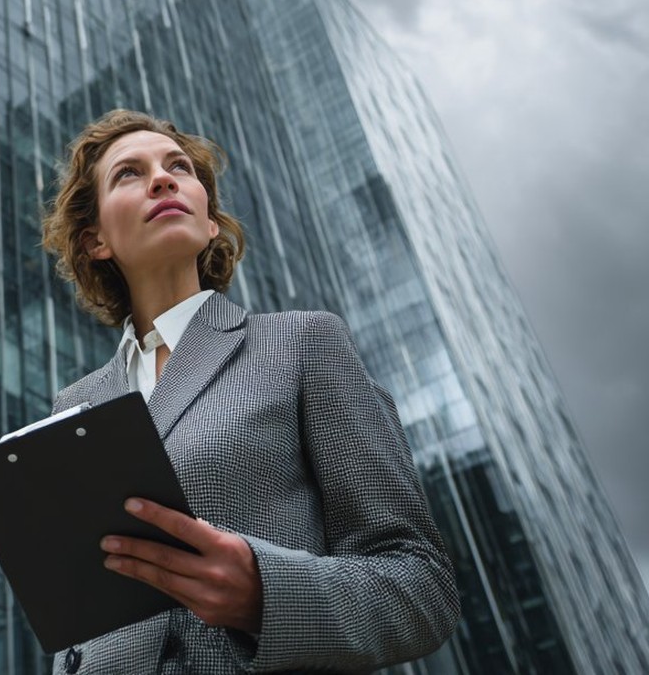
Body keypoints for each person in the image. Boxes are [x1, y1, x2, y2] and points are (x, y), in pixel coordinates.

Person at [39, 109, 459, 673]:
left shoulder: (301, 344)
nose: (162, 179)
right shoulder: (73, 407)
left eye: (178, 167)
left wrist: (267, 594)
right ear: (95, 241)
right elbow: (79, 624)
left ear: (210, 220)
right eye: (129, 174)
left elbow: (420, 586)